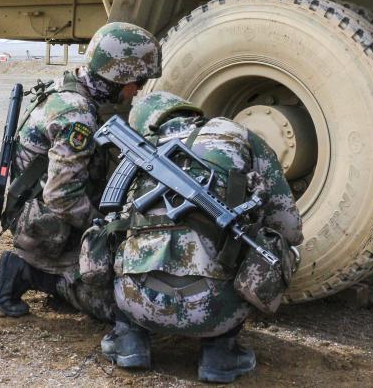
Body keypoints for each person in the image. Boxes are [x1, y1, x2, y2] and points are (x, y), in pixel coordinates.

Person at [99, 91, 304, 381]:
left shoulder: (149, 145)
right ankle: (220, 353)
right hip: (215, 311)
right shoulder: (238, 135)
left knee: (108, 229)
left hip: (136, 302)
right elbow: (289, 229)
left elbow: (109, 216)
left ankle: (129, 340)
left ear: (149, 124)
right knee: (275, 245)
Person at [0, 21, 161, 324]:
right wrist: (106, 228)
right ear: (117, 75)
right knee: (124, 308)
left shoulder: (75, 90)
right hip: (47, 229)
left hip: (48, 217)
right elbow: (61, 197)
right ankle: (30, 272)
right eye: (136, 81)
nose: (137, 90)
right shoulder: (77, 115)